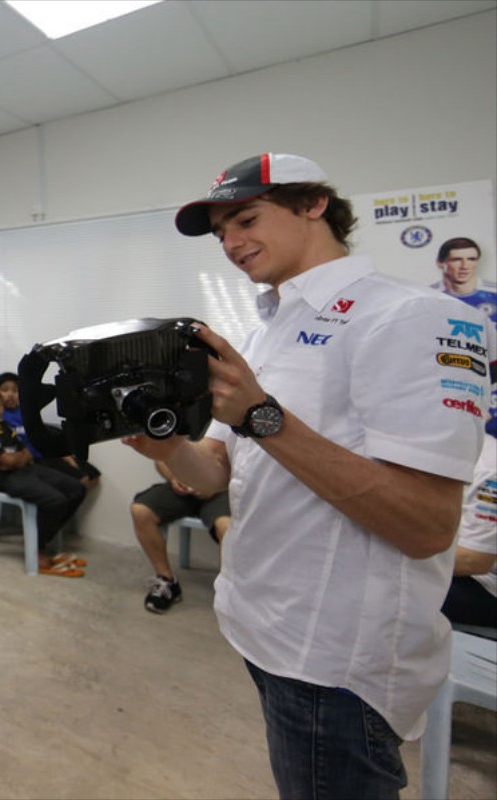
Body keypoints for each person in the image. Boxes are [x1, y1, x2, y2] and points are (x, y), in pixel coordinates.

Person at [126, 152, 487, 798]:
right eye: (221, 234)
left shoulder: (414, 316)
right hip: (263, 629)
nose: (231, 244)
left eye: (246, 220)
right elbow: (212, 474)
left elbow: (427, 525)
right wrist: (167, 446)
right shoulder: (264, 333)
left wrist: (262, 416)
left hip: (334, 662)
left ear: (314, 203)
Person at [0, 385, 85, 576]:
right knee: (56, 500)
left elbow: (25, 453)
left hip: (25, 469)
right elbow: (6, 461)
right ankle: (36, 549)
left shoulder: (3, 426)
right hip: (3, 479)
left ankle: (37, 539)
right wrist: (13, 460)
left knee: (77, 489)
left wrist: (14, 460)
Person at [130, 460, 231, 613]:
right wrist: (174, 478)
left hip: (223, 491)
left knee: (227, 527)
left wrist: (216, 485)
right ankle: (167, 580)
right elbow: (161, 458)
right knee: (140, 511)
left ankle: (229, 593)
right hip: (184, 488)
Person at [430, 236, 497, 438]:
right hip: (451, 389)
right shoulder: (426, 298)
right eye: (457, 259)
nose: (465, 266)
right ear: (441, 263)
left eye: (471, 259)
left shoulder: (493, 293)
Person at [0, 372, 101, 491]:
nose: (10, 394)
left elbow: (43, 434)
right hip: (35, 459)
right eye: (5, 390)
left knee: (94, 475)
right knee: (80, 480)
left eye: (15, 390)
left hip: (49, 451)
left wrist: (66, 456)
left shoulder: (26, 412)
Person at [441, 431, 496, 627]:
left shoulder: (489, 467)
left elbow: (475, 560)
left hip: (482, 585)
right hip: (457, 568)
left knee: (394, 592)